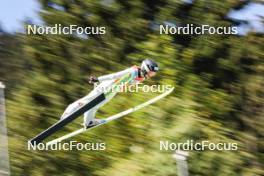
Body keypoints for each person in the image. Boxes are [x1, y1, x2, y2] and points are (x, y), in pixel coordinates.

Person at [60, 59, 159, 128]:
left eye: (153, 74)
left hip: (112, 92)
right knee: (85, 101)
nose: (151, 75)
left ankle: (88, 122)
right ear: (145, 68)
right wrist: (98, 79)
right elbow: (114, 76)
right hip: (106, 86)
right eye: (151, 73)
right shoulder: (132, 71)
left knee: (94, 106)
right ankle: (66, 115)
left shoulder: (141, 77)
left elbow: (128, 84)